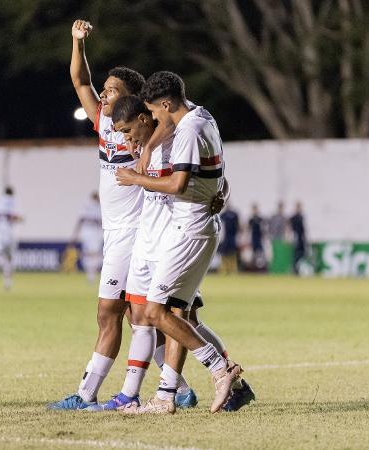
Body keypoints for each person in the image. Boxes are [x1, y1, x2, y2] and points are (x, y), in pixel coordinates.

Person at [86, 95, 254, 413]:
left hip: (174, 243)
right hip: (145, 245)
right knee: (155, 320)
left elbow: (216, 178)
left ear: (146, 116)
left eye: (127, 129)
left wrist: (221, 194)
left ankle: (168, 392)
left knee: (171, 317)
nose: (126, 137)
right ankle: (225, 385)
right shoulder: (139, 149)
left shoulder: (178, 137)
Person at [48, 20, 169, 411]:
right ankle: (175, 384)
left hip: (135, 232)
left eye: (114, 89)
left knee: (113, 312)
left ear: (134, 100)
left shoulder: (149, 128)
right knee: (141, 315)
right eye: (106, 88)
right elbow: (80, 79)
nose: (104, 92)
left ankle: (88, 394)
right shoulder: (103, 119)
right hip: (115, 230)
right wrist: (77, 42)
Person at [0, 186, 23, 290]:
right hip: (9, 234)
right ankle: (8, 282)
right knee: (10, 259)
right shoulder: (13, 203)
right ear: (12, 194)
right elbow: (17, 217)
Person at [69, 191, 103, 283]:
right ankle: (91, 274)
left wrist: (75, 235)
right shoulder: (97, 207)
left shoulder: (89, 206)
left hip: (90, 233)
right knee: (93, 254)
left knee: (91, 254)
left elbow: (80, 221)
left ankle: (91, 274)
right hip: (93, 233)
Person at [219, 204, 240, 274]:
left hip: (232, 237)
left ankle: (233, 269)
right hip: (226, 237)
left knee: (232, 253)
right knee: (225, 253)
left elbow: (238, 225)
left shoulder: (234, 214)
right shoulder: (224, 214)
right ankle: (225, 269)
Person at [289, 201, 307, 274]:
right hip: (296, 237)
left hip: (301, 238)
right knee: (296, 254)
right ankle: (294, 268)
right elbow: (289, 227)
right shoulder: (293, 217)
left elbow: (304, 229)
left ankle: (297, 267)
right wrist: (289, 236)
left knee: (302, 253)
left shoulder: (302, 216)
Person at [248, 203, 266, 270]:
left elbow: (264, 229)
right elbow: (248, 229)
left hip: (259, 238)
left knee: (261, 253)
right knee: (253, 253)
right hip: (253, 238)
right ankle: (253, 268)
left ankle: (262, 267)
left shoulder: (260, 219)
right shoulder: (251, 219)